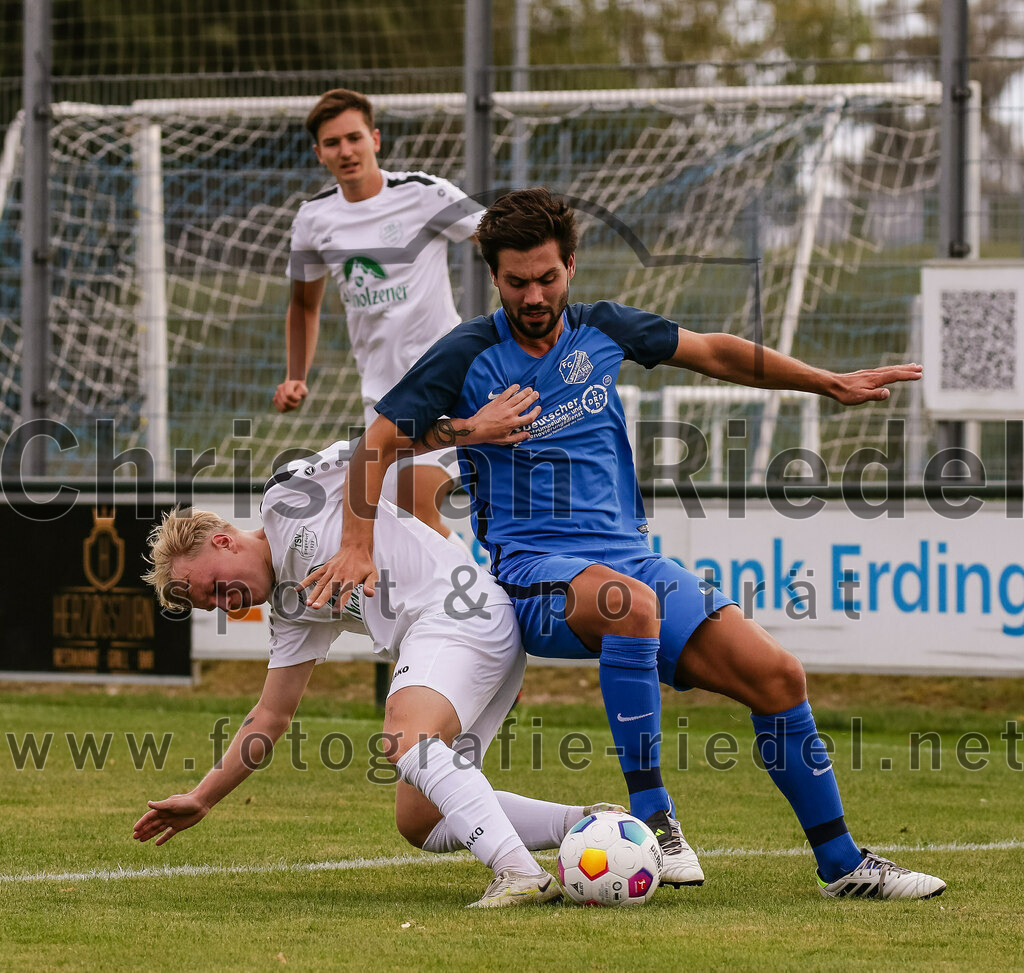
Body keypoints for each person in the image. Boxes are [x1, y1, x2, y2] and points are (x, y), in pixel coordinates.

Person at [301, 188, 947, 900]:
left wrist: (825, 382)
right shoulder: (467, 354)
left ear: (571, 265)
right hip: (534, 573)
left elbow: (713, 352)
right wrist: (374, 526)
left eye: (548, 277)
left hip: (631, 557)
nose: (535, 294)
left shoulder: (605, 329)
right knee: (629, 604)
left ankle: (842, 863)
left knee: (777, 675)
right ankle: (655, 819)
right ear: (495, 278)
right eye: (518, 281)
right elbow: (376, 445)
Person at [132, 398, 621, 910]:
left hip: (459, 613)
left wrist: (474, 429)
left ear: (222, 542)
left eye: (210, 586)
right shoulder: (291, 611)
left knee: (402, 734)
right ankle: (588, 824)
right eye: (208, 605)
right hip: (465, 639)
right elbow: (271, 716)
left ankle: (519, 873)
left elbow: (377, 446)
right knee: (421, 822)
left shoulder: (284, 498)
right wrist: (203, 796)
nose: (220, 604)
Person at [273, 87, 482, 542]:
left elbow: (497, 236)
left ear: (376, 139)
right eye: (333, 143)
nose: (346, 151)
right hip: (382, 395)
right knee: (404, 528)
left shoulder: (424, 193)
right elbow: (304, 303)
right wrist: (295, 374)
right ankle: (468, 599)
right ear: (319, 154)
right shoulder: (314, 218)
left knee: (416, 509)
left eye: (354, 138)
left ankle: (476, 609)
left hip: (446, 381)